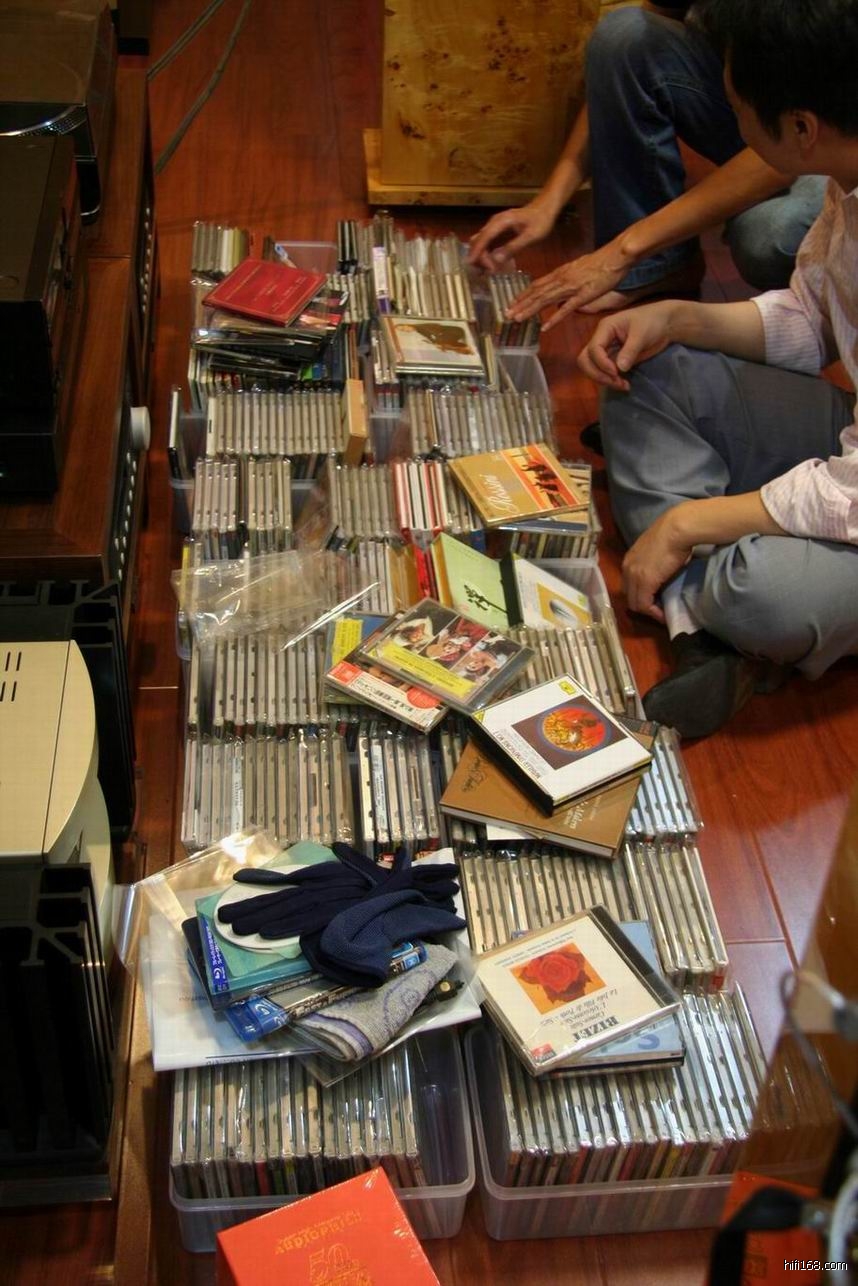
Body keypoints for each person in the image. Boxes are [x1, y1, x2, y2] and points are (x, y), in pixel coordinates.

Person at [576, 0, 858, 739]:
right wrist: (675, 319)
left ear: (801, 127)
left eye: (736, 109)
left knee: (762, 594)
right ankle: (708, 618)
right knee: (648, 369)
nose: (729, 125)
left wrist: (689, 520)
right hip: (851, 446)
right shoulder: (845, 175)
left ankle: (704, 616)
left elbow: (854, 490)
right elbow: (811, 319)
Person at [467, 1, 826, 327]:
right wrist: (547, 203)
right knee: (625, 35)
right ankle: (659, 267)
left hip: (827, 143)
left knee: (766, 237)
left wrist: (621, 252)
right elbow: (629, 60)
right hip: (769, 112)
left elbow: (787, 150)